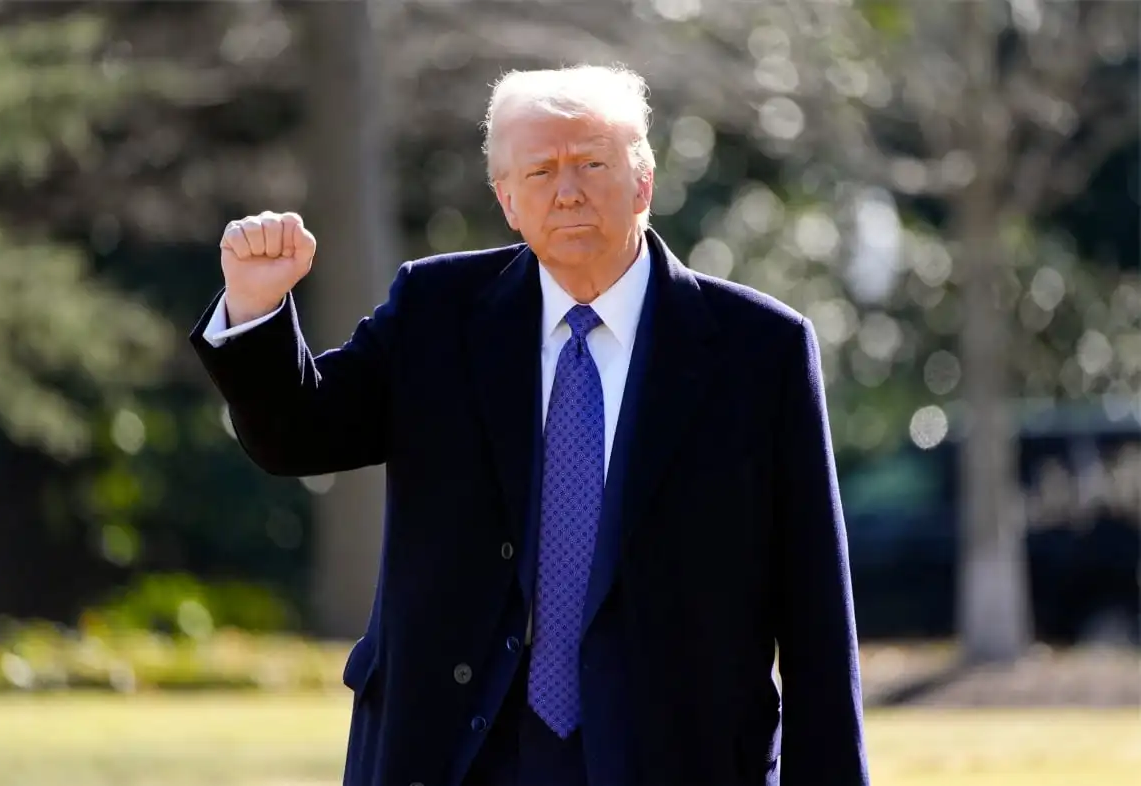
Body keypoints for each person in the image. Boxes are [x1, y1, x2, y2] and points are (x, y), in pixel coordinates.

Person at [190, 65, 869, 786]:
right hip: (455, 751)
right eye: (540, 171)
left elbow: (815, 616)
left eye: (592, 163)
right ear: (507, 200)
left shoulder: (758, 348)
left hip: (676, 753)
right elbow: (301, 435)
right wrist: (257, 314)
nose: (568, 189)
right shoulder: (437, 311)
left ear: (643, 182)